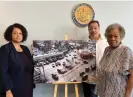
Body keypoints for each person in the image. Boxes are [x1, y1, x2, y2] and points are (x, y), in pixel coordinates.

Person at [89, 23, 133, 97]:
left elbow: (132, 74)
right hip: (104, 92)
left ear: (121, 37)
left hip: (118, 93)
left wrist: (127, 94)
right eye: (110, 36)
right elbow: (103, 68)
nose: (112, 38)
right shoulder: (107, 49)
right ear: (107, 37)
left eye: (115, 36)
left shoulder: (126, 51)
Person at [0, 23, 34, 97]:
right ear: (10, 34)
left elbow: (30, 66)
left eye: (20, 33)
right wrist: (8, 90)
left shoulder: (25, 49)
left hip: (27, 87)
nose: (18, 35)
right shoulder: (5, 49)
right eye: (15, 33)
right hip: (13, 89)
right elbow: (3, 71)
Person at [82, 20, 108, 97]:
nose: (93, 30)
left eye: (95, 28)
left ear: (99, 28)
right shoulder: (83, 42)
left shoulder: (106, 41)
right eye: (90, 29)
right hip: (89, 77)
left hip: (104, 75)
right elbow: (80, 55)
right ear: (88, 30)